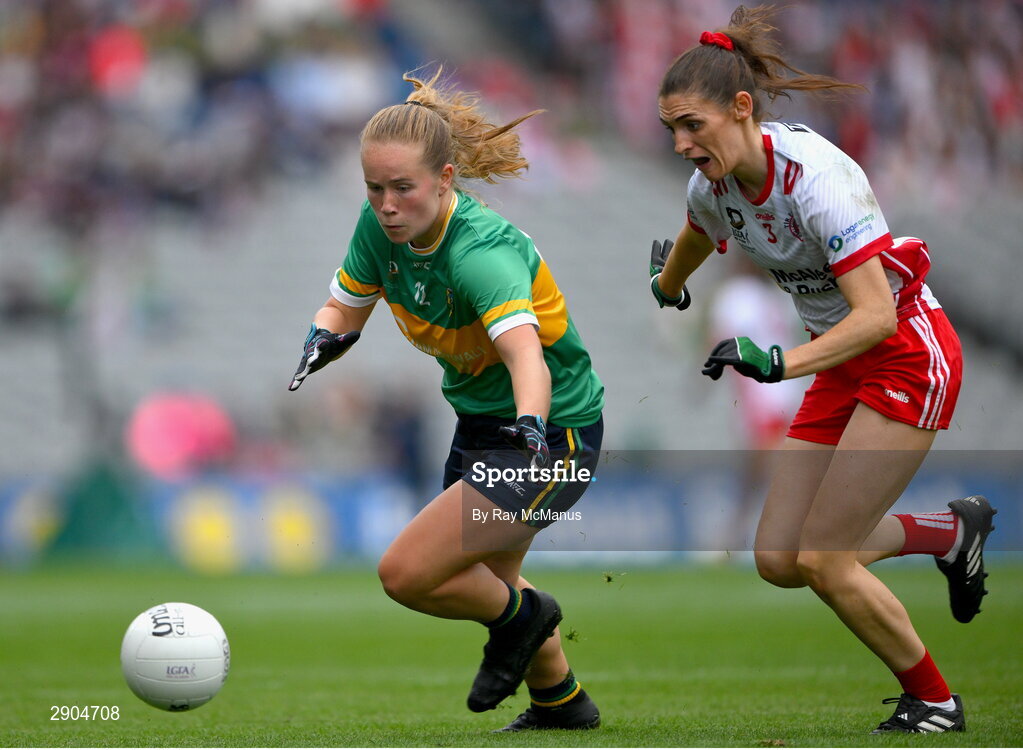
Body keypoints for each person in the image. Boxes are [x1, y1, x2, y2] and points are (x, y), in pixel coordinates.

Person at [649, 5, 996, 734]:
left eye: (692, 125)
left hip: (905, 350)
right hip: (839, 363)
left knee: (827, 559)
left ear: (740, 108)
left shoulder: (816, 176)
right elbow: (692, 234)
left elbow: (873, 315)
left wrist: (780, 363)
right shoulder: (710, 187)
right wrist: (667, 288)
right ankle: (947, 533)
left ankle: (933, 700)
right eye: (670, 129)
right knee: (780, 557)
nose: (681, 144)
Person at [288, 68, 604, 733]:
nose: (386, 205)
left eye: (402, 188)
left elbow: (526, 357)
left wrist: (528, 426)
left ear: (446, 179)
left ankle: (526, 622)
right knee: (489, 575)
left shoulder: (480, 253)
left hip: (551, 431)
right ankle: (561, 702)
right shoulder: (380, 230)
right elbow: (345, 307)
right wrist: (323, 337)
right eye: (374, 189)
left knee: (407, 573)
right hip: (478, 422)